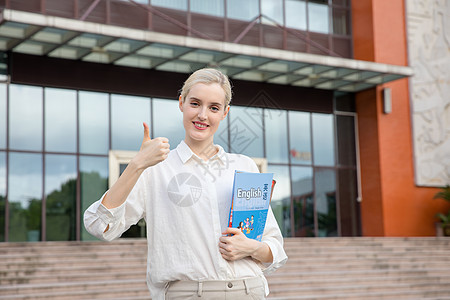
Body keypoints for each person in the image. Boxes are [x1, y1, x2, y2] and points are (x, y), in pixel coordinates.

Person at [84, 68, 287, 300]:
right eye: (195, 103)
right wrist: (136, 165)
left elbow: (274, 247)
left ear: (225, 112)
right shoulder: (155, 167)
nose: (202, 115)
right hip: (188, 294)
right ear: (181, 103)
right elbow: (99, 226)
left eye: (213, 108)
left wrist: (251, 248)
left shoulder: (245, 166)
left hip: (250, 290)